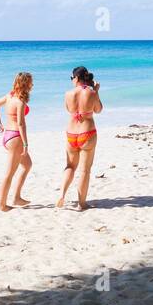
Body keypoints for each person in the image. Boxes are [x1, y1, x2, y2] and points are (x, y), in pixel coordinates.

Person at [58, 66, 102, 210]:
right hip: (87, 133)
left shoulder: (68, 94)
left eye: (72, 78)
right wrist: (96, 91)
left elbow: (68, 109)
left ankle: (62, 195)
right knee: (84, 170)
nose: (72, 80)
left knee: (70, 166)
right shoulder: (91, 92)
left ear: (76, 78)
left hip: (71, 133)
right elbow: (99, 109)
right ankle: (81, 203)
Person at [0, 71, 33, 211]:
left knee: (27, 165)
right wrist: (26, 143)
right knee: (9, 174)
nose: (32, 85)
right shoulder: (20, 101)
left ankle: (16, 197)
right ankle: (2, 205)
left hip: (7, 136)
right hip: (15, 138)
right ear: (26, 84)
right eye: (30, 82)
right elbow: (21, 123)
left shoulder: (9, 96)